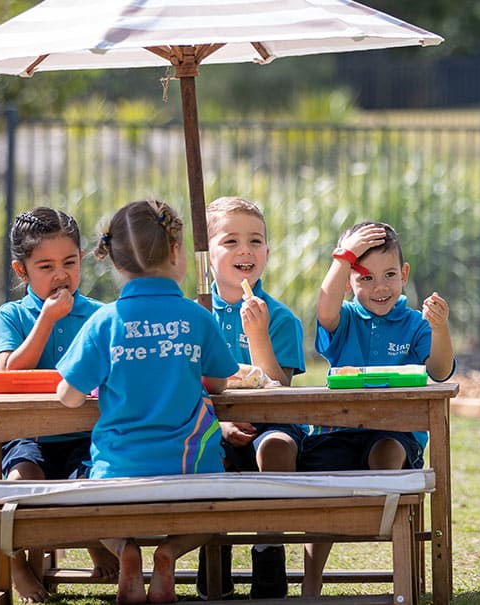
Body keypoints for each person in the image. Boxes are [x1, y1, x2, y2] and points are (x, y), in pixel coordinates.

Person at [56, 199, 239, 605]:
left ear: (116, 263)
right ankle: (169, 553)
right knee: (218, 513)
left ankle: (126, 550)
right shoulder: (196, 317)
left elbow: (68, 397)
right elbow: (222, 383)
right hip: (192, 468)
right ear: (176, 251)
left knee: (83, 504)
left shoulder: (103, 321)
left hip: (118, 469)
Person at [301, 220, 455, 597]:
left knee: (387, 452)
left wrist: (440, 329)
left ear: (404, 274)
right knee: (325, 486)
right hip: (338, 431)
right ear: (350, 281)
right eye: (365, 278)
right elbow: (325, 309)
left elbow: (439, 370)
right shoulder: (346, 318)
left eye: (388, 275)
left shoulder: (415, 324)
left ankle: (387, 532)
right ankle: (311, 577)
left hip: (396, 433)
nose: (379, 287)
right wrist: (343, 257)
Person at [0, 207, 116, 603]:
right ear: (22, 272)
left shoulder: (100, 315)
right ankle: (17, 561)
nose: (61, 275)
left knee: (88, 487)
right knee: (20, 484)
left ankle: (91, 536)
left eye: (69, 263)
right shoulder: (11, 315)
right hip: (29, 436)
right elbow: (5, 373)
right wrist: (46, 319)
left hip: (83, 435)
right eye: (46, 266)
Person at [196, 196, 306, 599]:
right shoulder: (195, 315)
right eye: (231, 241)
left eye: (255, 241)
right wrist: (220, 424)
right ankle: (214, 561)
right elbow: (188, 385)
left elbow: (280, 389)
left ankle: (268, 550)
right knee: (208, 452)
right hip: (210, 425)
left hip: (273, 424)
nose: (245, 250)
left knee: (276, 446)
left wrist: (258, 335)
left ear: (268, 253)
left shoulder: (280, 318)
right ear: (206, 254)